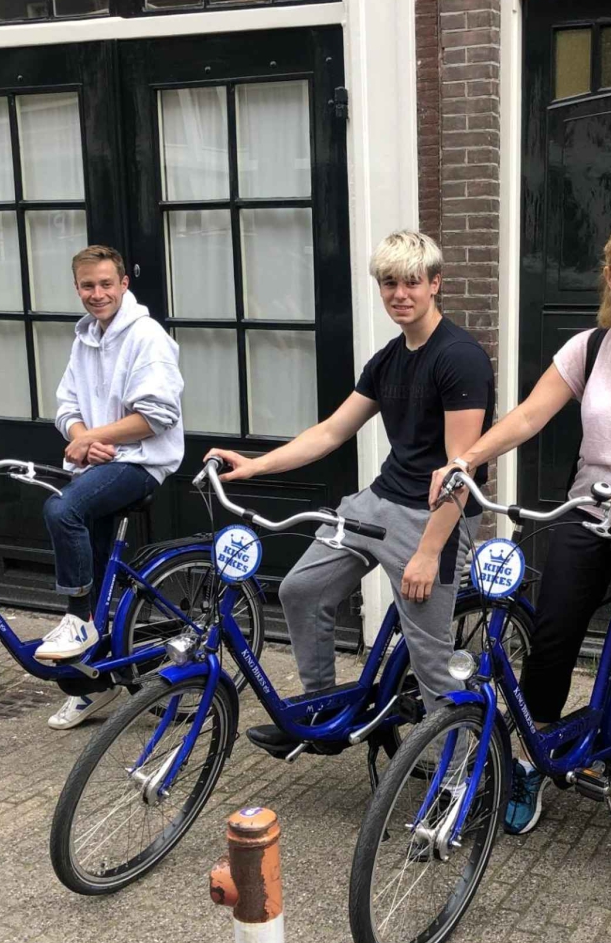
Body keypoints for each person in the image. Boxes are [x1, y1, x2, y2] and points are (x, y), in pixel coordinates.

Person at [429, 215, 611, 898]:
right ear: (609, 277)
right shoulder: (588, 347)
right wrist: (467, 460)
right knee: (552, 635)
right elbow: (530, 414)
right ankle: (534, 759)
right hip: (589, 511)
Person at [205, 230, 494, 749]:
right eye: (389, 283)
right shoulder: (388, 359)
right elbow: (331, 432)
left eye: (411, 282)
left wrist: (429, 552)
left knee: (431, 660)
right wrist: (256, 466)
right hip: (378, 501)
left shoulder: (460, 358)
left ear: (435, 284)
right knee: (301, 590)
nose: (400, 294)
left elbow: (460, 470)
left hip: (434, 516)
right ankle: (320, 712)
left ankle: (458, 776)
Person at [34, 245, 185, 731]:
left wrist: (92, 438)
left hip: (141, 463)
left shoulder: (147, 337)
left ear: (123, 284)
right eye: (87, 286)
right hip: (96, 463)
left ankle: (78, 618)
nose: (97, 294)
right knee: (95, 567)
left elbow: (158, 416)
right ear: (76, 288)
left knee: (62, 511)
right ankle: (93, 685)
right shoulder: (85, 339)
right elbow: (65, 406)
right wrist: (82, 438)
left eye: (105, 284)